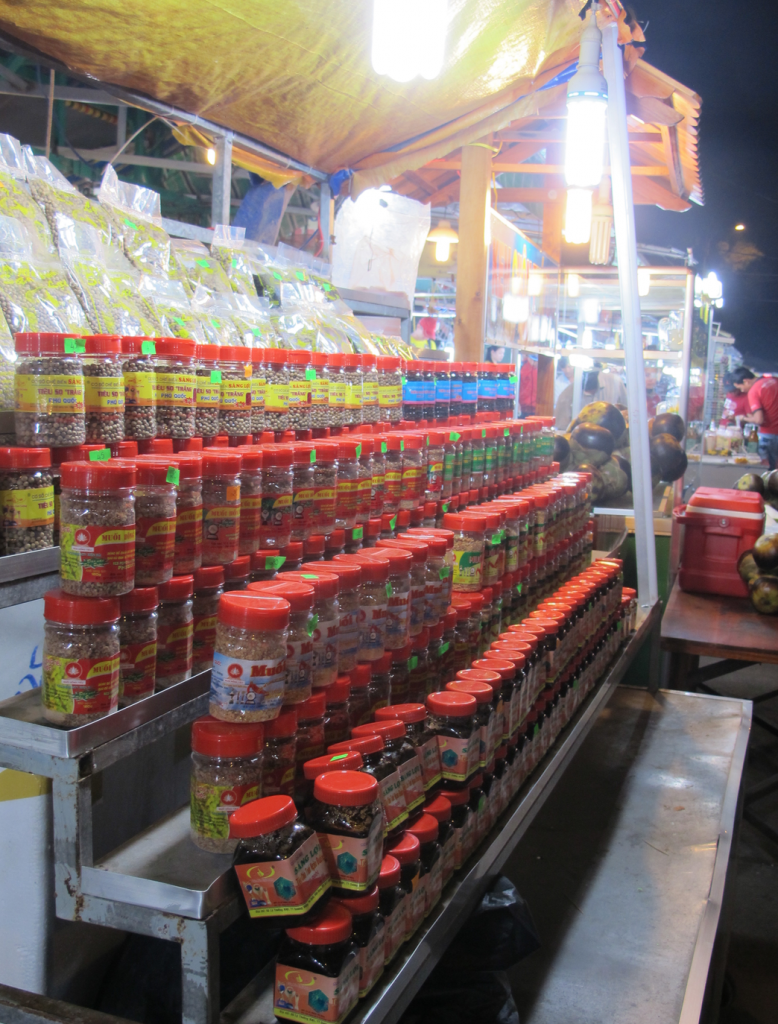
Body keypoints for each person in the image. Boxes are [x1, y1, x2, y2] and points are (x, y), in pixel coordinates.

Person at [554, 365, 627, 432]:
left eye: (591, 375)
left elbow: (627, 413)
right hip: (580, 438)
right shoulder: (566, 395)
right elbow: (561, 428)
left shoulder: (615, 383)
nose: (588, 378)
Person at [732, 367, 778, 469]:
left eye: (741, 388)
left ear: (746, 381)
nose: (742, 391)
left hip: (768, 435)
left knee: (765, 470)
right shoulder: (775, 380)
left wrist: (743, 418)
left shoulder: (754, 391)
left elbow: (758, 420)